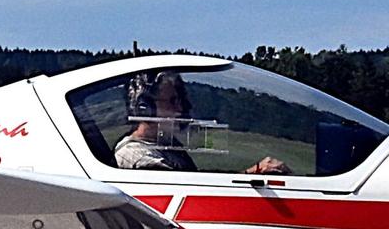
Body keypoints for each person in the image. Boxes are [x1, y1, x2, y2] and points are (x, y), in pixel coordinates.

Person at [113, 70, 291, 175]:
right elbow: (186, 197)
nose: (180, 109)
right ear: (145, 108)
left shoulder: (168, 145)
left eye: (180, 101)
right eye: (172, 101)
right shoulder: (136, 156)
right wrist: (253, 172)